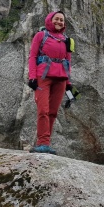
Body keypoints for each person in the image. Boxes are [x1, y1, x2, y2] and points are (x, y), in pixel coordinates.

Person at [27, 11, 73, 154]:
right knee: (43, 110)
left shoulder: (67, 40)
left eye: (62, 20)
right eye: (56, 19)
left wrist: (69, 86)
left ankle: (46, 143)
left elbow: (68, 61)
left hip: (61, 79)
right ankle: (42, 143)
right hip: (43, 77)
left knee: (53, 112)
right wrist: (32, 77)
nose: (59, 22)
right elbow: (33, 56)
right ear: (50, 20)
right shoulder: (41, 35)